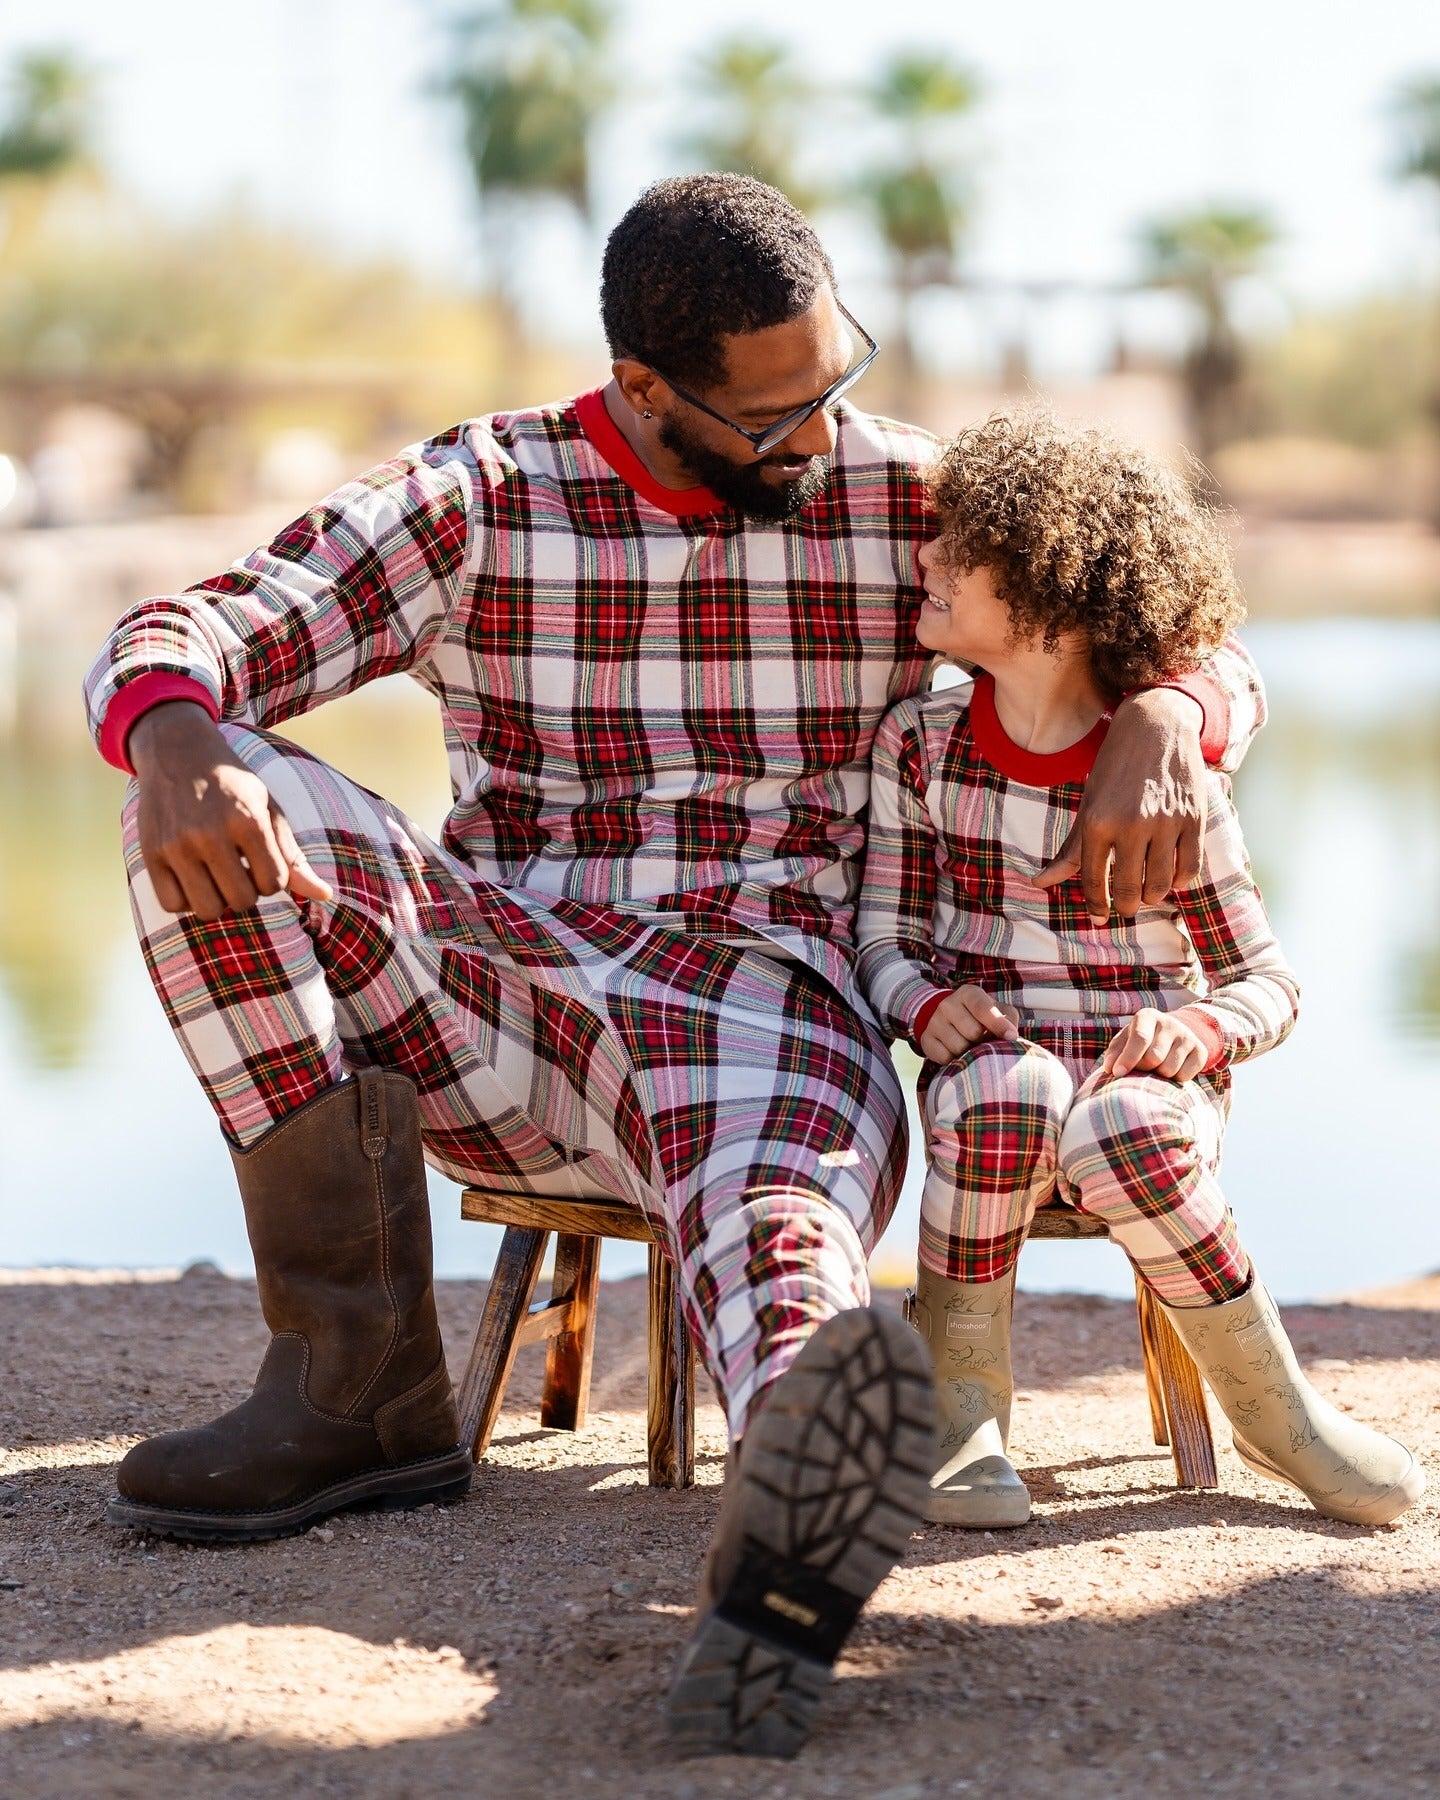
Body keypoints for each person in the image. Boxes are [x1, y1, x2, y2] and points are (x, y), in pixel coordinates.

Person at [84, 176, 1264, 1758]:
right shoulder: (483, 496)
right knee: (211, 790)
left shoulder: (907, 500)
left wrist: (1174, 714)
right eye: (775, 417)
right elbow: (196, 629)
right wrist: (168, 736)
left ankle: (793, 1506)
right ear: (646, 390)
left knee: (771, 1227)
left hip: (772, 994)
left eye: (838, 381)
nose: (824, 439)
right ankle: (352, 1387)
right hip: (505, 985)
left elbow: (1166, 616)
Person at [857, 406, 1424, 1533]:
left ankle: (1278, 1414)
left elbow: (1269, 983)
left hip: (1144, 1101)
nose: (924, 557)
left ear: (1053, 596)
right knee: (1007, 1091)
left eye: (961, 549)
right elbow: (881, 938)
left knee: (1121, 1127)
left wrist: (1199, 1032)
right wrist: (928, 1006)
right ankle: (963, 1406)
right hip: (1002, 1085)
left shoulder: (1169, 782)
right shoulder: (919, 743)